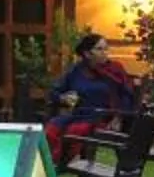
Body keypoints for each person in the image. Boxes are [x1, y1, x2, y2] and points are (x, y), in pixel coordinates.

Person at [45, 31, 141, 160]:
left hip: (104, 118)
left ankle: (62, 162)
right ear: (87, 53)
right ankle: (50, 162)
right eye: (99, 49)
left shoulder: (115, 69)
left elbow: (127, 95)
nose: (105, 52)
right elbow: (55, 91)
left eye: (106, 48)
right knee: (52, 128)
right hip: (79, 115)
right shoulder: (76, 70)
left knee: (76, 132)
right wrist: (63, 98)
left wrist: (118, 118)